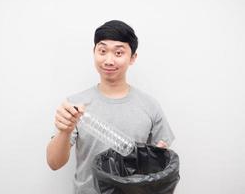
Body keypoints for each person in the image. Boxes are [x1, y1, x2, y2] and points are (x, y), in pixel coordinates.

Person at [46, 20, 175, 194]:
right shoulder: (75, 106)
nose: (109, 60)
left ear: (133, 57)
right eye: (102, 51)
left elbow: (161, 160)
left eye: (119, 52)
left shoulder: (150, 106)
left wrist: (158, 156)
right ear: (94, 52)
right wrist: (64, 131)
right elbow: (54, 163)